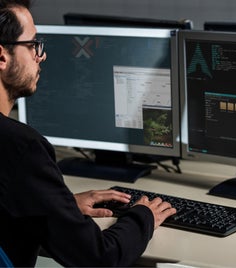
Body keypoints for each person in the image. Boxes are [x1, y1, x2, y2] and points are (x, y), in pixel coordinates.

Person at [0, 0, 177, 267]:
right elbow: (98, 259)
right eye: (33, 45)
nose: (41, 55)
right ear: (2, 57)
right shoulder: (23, 147)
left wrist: (60, 207)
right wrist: (143, 216)